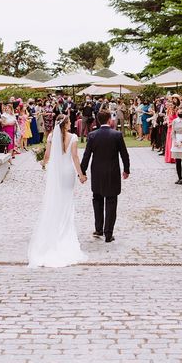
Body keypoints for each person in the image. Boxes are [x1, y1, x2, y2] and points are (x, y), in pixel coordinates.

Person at [27, 114, 88, 268]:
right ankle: (65, 231)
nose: (71, 123)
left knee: (56, 201)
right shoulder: (73, 137)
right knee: (67, 201)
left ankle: (55, 231)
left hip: (56, 174)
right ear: (66, 124)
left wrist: (42, 162)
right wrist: (81, 175)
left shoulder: (51, 137)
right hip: (67, 173)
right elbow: (74, 157)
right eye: (69, 122)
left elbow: (47, 156)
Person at [80, 110, 130, 243]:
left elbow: (87, 155)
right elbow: (124, 154)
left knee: (97, 200)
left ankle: (98, 229)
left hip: (97, 172)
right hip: (112, 172)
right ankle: (108, 233)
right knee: (111, 201)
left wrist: (82, 171)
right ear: (109, 120)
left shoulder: (92, 135)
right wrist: (126, 170)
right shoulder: (117, 135)